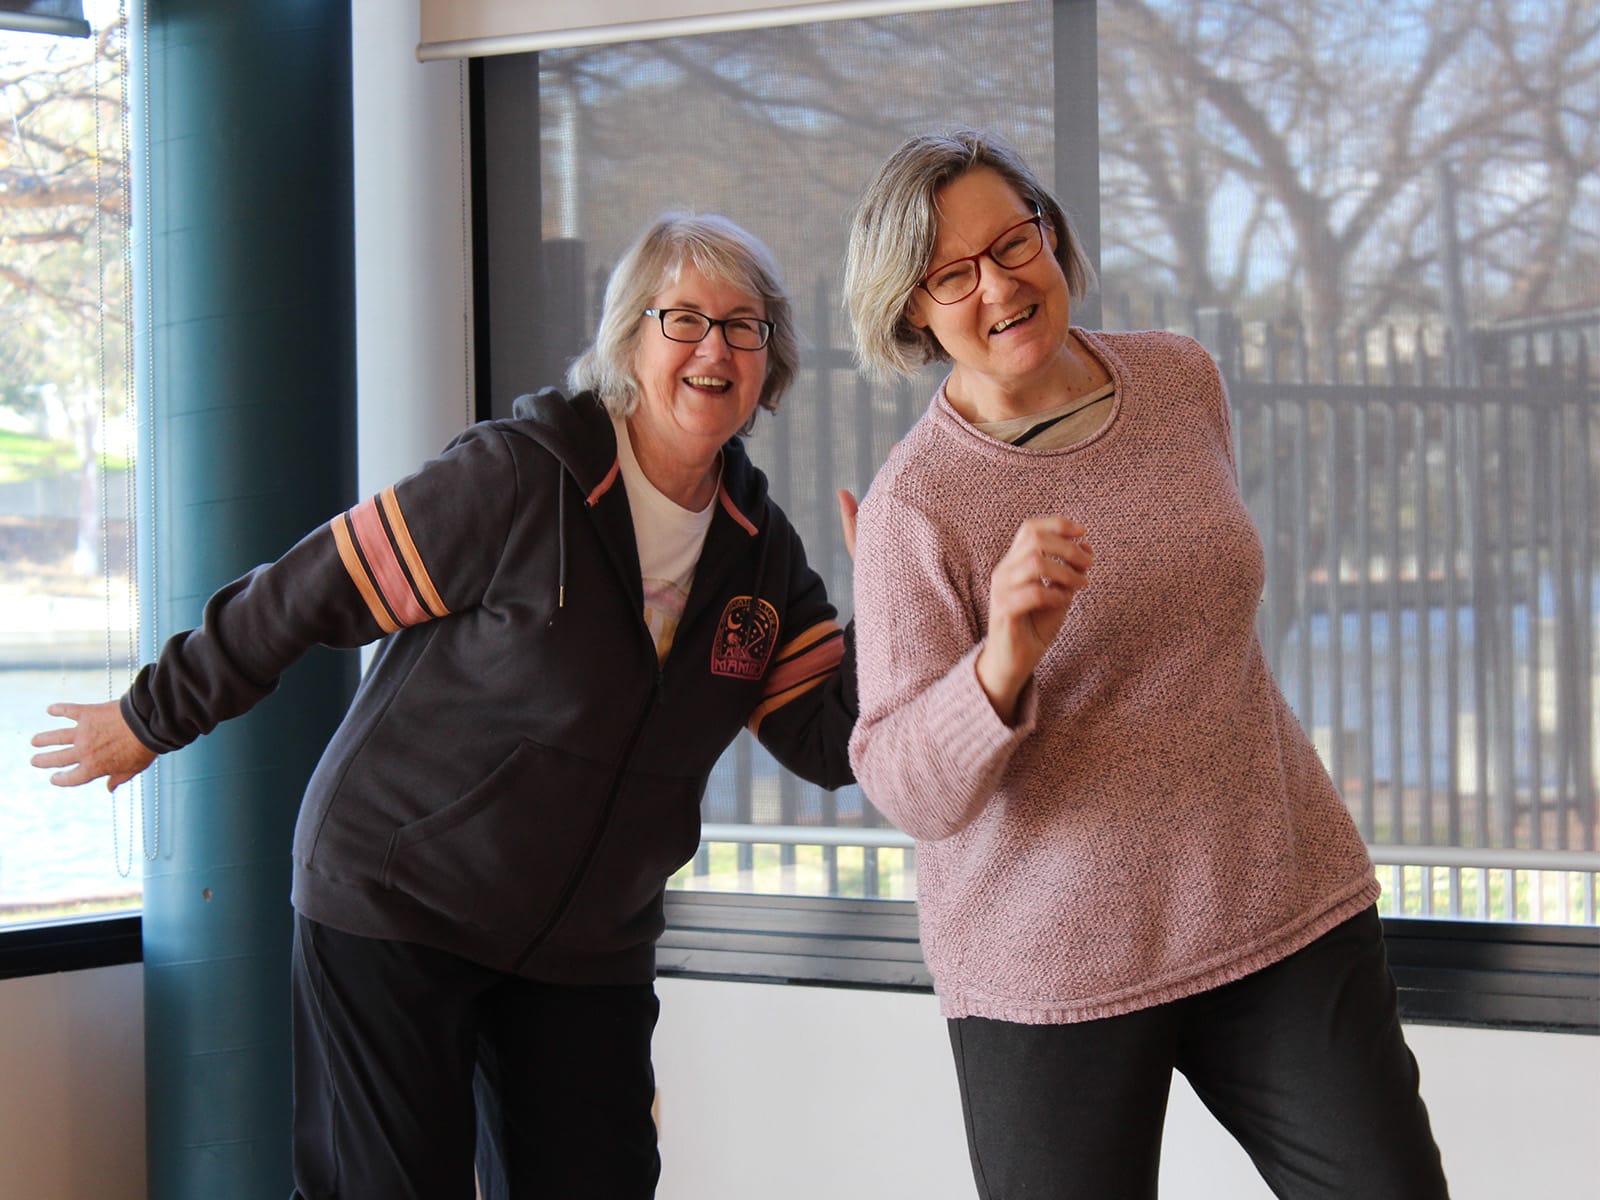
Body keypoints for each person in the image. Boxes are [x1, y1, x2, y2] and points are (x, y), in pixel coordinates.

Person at [31, 212, 857, 1199]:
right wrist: (150, 716)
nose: (714, 347)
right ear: (628, 341)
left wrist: (923, 617)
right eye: (682, 319)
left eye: (744, 325)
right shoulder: (519, 479)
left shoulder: (758, 556)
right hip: (401, 896)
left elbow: (832, 740)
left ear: (772, 361)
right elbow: (307, 590)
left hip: (585, 946)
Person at [842, 127, 1448, 1199]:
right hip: (1049, 967)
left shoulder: (1182, 380)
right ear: (914, 311)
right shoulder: (916, 506)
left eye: (1013, 240)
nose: (998, 284)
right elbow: (901, 781)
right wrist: (1002, 660)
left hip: (1273, 898)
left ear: (1051, 234)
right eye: (952, 273)